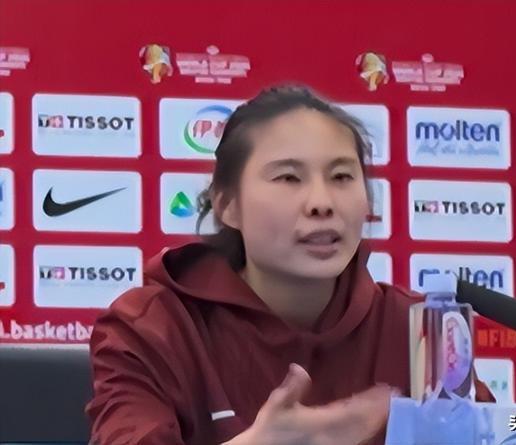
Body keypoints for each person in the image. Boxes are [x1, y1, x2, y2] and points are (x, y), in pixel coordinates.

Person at [86, 85, 495, 445]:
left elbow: (507, 427)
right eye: (288, 178)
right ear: (227, 205)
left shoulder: (416, 327)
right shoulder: (153, 327)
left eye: (341, 177)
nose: (322, 202)